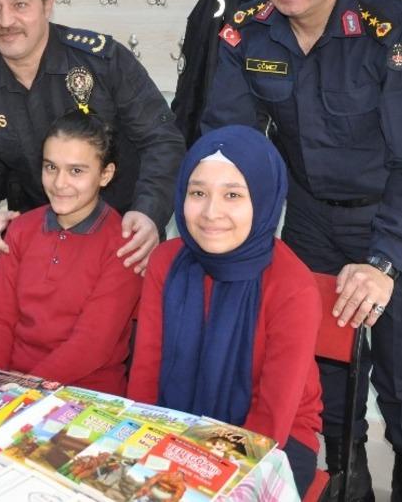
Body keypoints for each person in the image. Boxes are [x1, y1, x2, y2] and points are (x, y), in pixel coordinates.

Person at [201, 0, 402, 502]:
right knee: (324, 373)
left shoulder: (395, 30)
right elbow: (227, 145)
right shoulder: (243, 34)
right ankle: (346, 477)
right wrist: (221, 228)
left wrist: (384, 262)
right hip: (309, 225)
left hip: (396, 227)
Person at [0, 0, 185, 271]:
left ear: (48, 5)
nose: (5, 21)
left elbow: (162, 140)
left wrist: (149, 212)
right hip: (41, 249)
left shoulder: (103, 62)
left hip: (123, 243)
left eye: (20, 5)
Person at [127, 125, 322, 498]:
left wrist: (197, 471)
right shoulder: (166, 262)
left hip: (272, 442)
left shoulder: (292, 286)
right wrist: (143, 444)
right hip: (175, 420)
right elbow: (146, 374)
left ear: (264, 199)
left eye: (233, 194)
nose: (210, 212)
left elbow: (271, 420)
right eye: (197, 192)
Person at [0, 110, 142, 394]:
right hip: (8, 382)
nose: (59, 183)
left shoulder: (123, 244)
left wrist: (23, 391)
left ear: (105, 174)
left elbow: (91, 346)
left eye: (76, 171)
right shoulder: (22, 229)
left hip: (86, 392)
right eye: (50, 167)